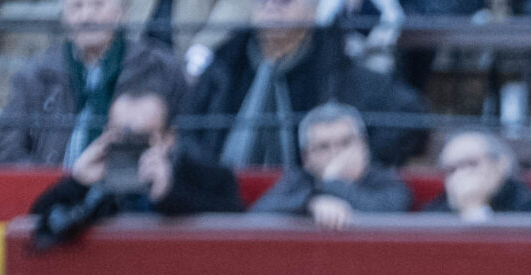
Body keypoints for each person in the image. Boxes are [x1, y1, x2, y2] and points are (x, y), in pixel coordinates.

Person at [178, 0, 427, 169]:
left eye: (284, 0)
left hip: (309, 203)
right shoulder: (226, 62)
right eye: (263, 0)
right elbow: (190, 129)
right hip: (224, 198)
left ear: (312, 11)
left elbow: (410, 116)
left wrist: (361, 159)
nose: (271, 5)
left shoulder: (335, 65)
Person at [29, 58, 246, 228]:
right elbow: (35, 225)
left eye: (142, 138)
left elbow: (234, 226)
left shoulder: (209, 177)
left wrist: (169, 193)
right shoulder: (96, 181)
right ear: (107, 132)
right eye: (121, 136)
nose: (131, 147)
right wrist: (78, 182)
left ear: (168, 137)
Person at [0, 0, 153, 167]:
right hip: (55, 187)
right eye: (77, 6)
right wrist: (49, 186)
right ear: (65, 17)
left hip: (125, 188)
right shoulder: (37, 73)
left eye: (98, 5)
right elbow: (8, 149)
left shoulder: (153, 68)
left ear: (121, 13)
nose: (86, 16)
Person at [248, 102, 410, 228]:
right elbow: (255, 217)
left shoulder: (386, 179)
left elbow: (390, 212)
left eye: (345, 143)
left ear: (363, 145)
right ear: (306, 158)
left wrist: (332, 181)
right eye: (323, 147)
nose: (335, 154)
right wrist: (310, 204)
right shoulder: (299, 180)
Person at [425, 127, 531, 219]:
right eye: (451, 170)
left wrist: (474, 207)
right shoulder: (432, 217)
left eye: (471, 164)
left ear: (501, 164)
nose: (461, 175)